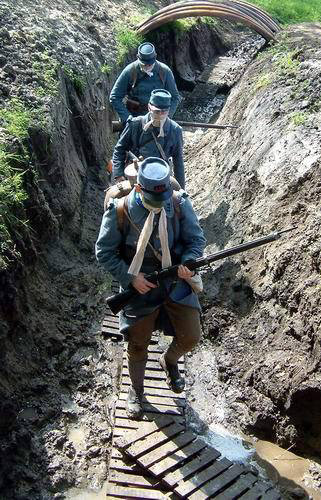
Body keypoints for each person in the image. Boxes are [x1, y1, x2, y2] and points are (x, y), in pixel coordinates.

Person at [95, 157, 206, 419]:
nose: (159, 205)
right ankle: (136, 391)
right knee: (137, 344)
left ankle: (169, 361)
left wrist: (189, 263)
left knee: (191, 336)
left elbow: (196, 240)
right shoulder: (120, 210)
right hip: (139, 288)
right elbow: (104, 251)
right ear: (138, 189)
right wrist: (130, 278)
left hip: (175, 283)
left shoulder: (178, 203)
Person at [112, 89, 185, 189]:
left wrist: (181, 190)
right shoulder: (135, 124)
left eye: (164, 112)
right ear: (149, 108)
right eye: (157, 111)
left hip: (161, 177)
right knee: (116, 202)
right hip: (135, 174)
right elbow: (119, 149)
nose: (160, 115)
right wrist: (118, 175)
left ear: (168, 111)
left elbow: (178, 162)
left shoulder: (175, 130)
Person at [109, 42, 181, 125]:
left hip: (158, 117)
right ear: (137, 58)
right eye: (144, 64)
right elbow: (114, 97)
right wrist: (128, 118)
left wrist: (166, 117)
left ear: (155, 57)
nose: (147, 67)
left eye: (150, 64)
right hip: (134, 116)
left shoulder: (165, 71)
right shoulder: (130, 71)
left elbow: (175, 97)